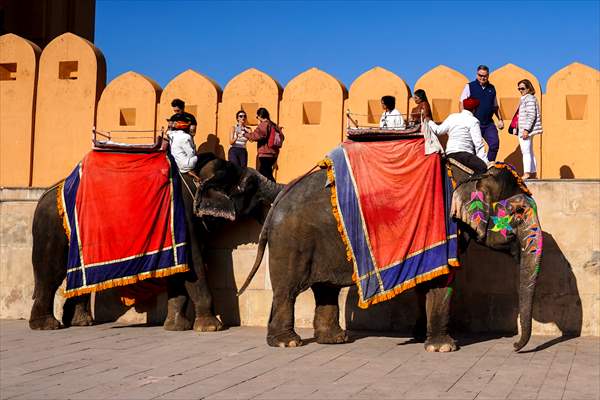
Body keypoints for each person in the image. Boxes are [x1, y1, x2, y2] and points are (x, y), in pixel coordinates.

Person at [428, 97, 489, 174]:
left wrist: (429, 121)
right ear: (475, 109)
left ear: (463, 107)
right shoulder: (473, 121)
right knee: (482, 168)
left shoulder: (452, 117)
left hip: (450, 154)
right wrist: (485, 162)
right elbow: (478, 144)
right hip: (464, 155)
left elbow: (438, 131)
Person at [460, 65, 504, 161]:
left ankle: (488, 166)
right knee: (473, 148)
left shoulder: (492, 88)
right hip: (474, 123)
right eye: (480, 75)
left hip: (488, 124)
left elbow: (495, 106)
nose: (482, 78)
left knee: (494, 145)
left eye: (485, 76)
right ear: (477, 74)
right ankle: (474, 170)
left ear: (488, 75)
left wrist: (500, 119)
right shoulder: (469, 86)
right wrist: (464, 119)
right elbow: (461, 103)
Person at [509, 79, 542, 180]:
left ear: (529, 88)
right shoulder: (525, 98)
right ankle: (533, 173)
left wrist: (526, 130)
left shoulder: (529, 99)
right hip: (525, 128)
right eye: (519, 88)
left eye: (522, 88)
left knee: (526, 151)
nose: (520, 90)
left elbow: (531, 115)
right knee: (530, 151)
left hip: (526, 129)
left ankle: (527, 173)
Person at [167, 98, 199, 180]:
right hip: (175, 142)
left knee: (191, 158)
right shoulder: (173, 117)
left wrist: (184, 135)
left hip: (186, 141)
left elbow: (193, 132)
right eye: (174, 111)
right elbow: (169, 130)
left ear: (183, 108)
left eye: (177, 110)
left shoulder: (190, 117)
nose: (176, 113)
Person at [244, 107, 279, 181]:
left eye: (257, 117)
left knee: (265, 174)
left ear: (260, 116)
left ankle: (277, 190)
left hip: (266, 153)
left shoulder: (264, 124)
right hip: (274, 153)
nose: (257, 118)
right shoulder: (273, 124)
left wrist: (246, 134)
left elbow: (257, 136)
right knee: (266, 172)